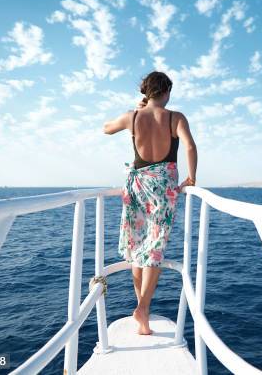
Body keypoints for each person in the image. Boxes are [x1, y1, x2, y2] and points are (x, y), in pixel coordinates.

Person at [103, 71, 197, 335]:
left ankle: (140, 310)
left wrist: (136, 110)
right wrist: (192, 177)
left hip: (137, 185)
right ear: (166, 91)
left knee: (137, 245)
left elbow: (106, 128)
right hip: (164, 186)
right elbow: (189, 146)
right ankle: (143, 308)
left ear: (146, 92)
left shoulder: (132, 117)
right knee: (155, 246)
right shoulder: (175, 117)